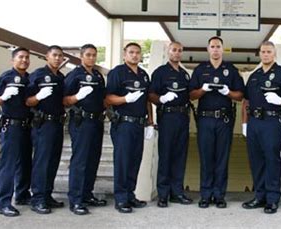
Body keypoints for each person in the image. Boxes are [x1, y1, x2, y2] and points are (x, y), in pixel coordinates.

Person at [189, 36, 245, 208]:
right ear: (208, 49)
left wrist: (228, 92)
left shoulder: (231, 70)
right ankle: (206, 195)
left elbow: (240, 95)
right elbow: (191, 95)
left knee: (222, 158)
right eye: (212, 46)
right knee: (206, 158)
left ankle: (219, 195)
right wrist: (202, 90)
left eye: (218, 46)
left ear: (223, 49)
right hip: (205, 119)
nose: (215, 49)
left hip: (224, 120)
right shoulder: (200, 70)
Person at [241, 41, 281, 214]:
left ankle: (272, 199)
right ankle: (259, 196)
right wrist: (244, 123)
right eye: (263, 51)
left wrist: (280, 101)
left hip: (273, 122)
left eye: (269, 52)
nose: (265, 54)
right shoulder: (255, 75)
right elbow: (246, 101)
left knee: (271, 159)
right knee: (256, 160)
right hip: (254, 122)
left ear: (274, 53)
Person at [105, 42, 155, 213]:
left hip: (139, 123)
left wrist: (150, 121)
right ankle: (120, 199)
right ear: (124, 54)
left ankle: (130, 195)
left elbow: (147, 99)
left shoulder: (143, 75)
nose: (135, 55)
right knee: (123, 161)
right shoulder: (117, 73)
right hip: (123, 123)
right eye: (131, 52)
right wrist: (125, 99)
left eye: (137, 53)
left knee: (135, 160)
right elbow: (108, 99)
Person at [63, 44, 107, 215]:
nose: (91, 58)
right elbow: (65, 100)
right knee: (80, 161)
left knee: (93, 160)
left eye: (94, 55)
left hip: (97, 121)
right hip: (81, 121)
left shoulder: (97, 75)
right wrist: (77, 97)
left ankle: (87, 194)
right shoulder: (75, 75)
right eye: (88, 55)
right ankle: (76, 200)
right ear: (81, 56)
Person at [148, 41, 193, 208]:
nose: (177, 53)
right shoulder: (160, 72)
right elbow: (151, 94)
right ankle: (163, 194)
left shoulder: (184, 74)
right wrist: (161, 99)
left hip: (183, 116)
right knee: (165, 155)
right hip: (167, 117)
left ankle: (177, 192)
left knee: (180, 156)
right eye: (174, 50)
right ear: (168, 51)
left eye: (180, 50)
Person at [0, 47, 32, 217]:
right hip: (11, 126)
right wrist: (3, 97)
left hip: (27, 125)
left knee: (25, 162)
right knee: (9, 165)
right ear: (13, 60)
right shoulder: (6, 77)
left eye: (27, 57)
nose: (24, 60)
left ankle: (22, 195)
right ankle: (4, 203)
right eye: (21, 57)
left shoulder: (29, 79)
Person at [26, 45, 66, 214]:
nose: (57, 58)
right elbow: (27, 100)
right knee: (42, 161)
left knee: (53, 161)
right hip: (43, 123)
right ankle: (38, 198)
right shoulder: (38, 75)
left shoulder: (61, 77)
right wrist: (38, 96)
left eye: (60, 56)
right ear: (47, 57)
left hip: (58, 123)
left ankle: (47, 195)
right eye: (54, 55)